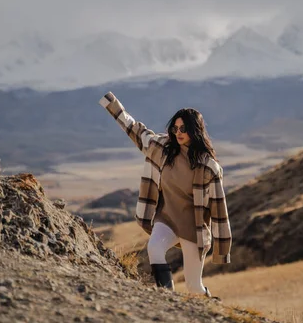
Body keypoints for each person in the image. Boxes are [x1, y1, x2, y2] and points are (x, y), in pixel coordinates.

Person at [98, 91, 232, 297]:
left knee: (193, 288)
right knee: (154, 249)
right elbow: (135, 130)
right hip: (166, 220)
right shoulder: (162, 148)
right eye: (175, 128)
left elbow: (219, 209)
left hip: (192, 230)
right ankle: (167, 299)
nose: (178, 133)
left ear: (195, 131)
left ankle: (211, 306)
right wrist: (112, 105)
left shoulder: (208, 167)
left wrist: (222, 249)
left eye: (184, 129)